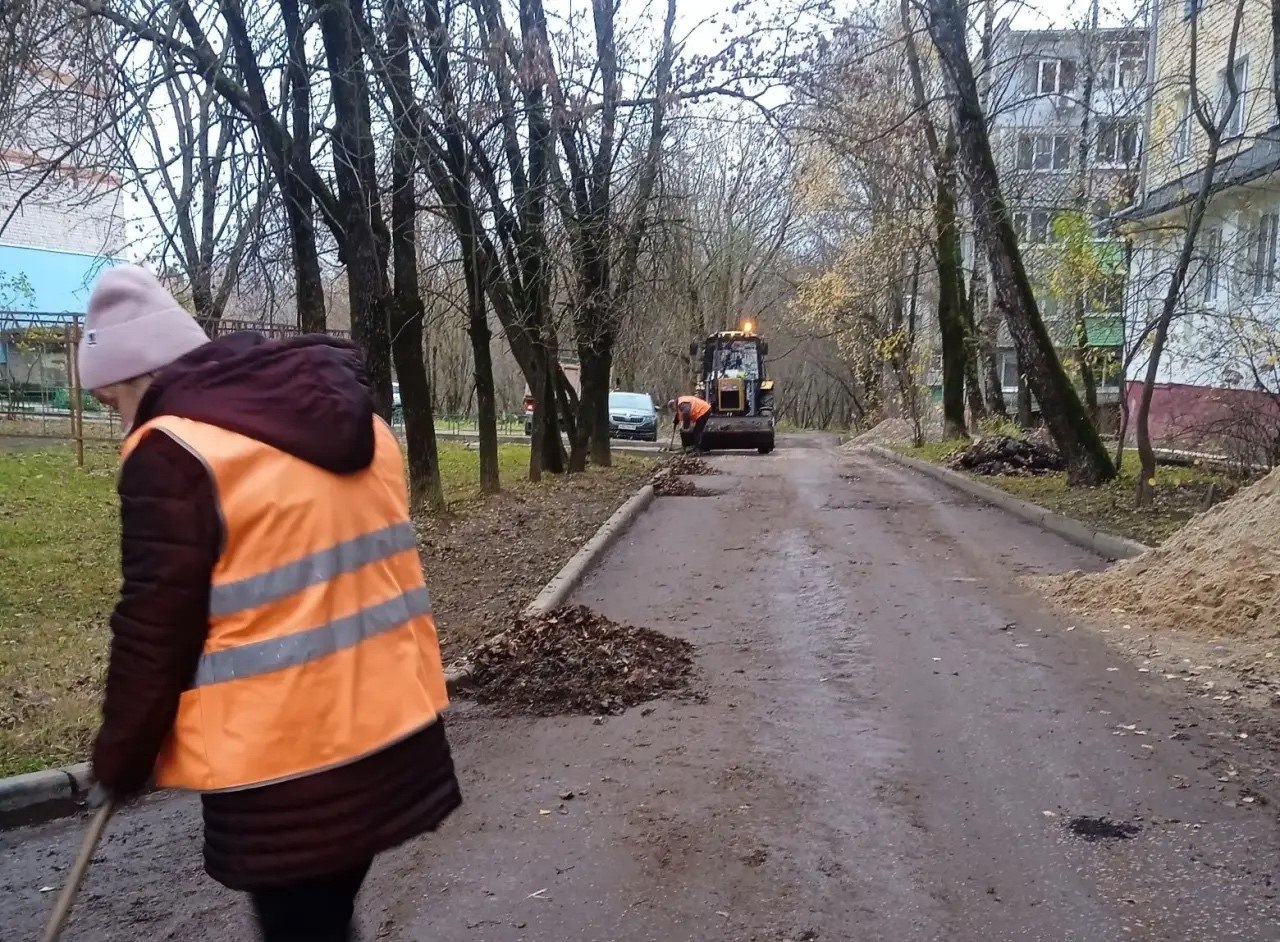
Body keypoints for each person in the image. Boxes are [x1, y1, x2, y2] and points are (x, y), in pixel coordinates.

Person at [81, 265, 461, 942]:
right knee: (325, 921)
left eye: (114, 403)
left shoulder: (174, 452)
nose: (121, 428)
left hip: (285, 774)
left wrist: (119, 759)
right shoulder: (365, 427)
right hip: (390, 742)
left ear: (141, 377)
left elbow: (152, 631)